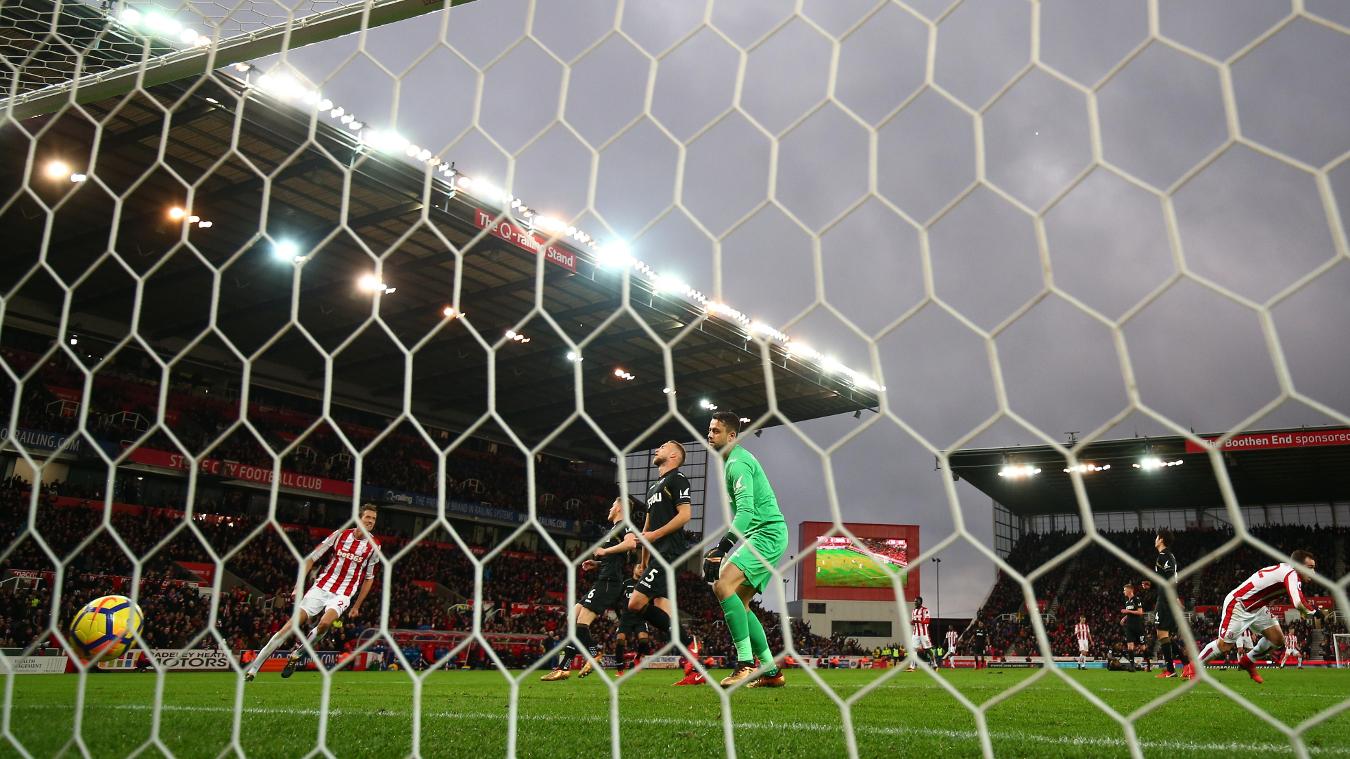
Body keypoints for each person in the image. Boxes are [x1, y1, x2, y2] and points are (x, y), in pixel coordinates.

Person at [245, 504, 380, 681]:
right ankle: (253, 669)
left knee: (325, 623)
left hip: (343, 593)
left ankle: (298, 653)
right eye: (368, 517)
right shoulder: (340, 535)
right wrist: (298, 586)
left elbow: (369, 578)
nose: (371, 521)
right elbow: (311, 558)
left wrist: (357, 606)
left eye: (374, 519)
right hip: (321, 587)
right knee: (289, 627)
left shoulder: (374, 546)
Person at [703, 412, 789, 688]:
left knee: (722, 585)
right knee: (739, 601)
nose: (710, 435)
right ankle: (771, 671)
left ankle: (745, 664)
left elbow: (746, 512)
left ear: (731, 436)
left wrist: (722, 548)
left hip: (767, 534)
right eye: (709, 430)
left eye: (716, 431)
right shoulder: (732, 461)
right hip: (764, 535)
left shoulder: (737, 463)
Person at [1183, 550, 1324, 683]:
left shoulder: (1287, 570)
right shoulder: (1292, 573)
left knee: (1277, 640)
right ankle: (1194, 667)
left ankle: (1247, 661)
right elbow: (1298, 602)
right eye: (1310, 567)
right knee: (1224, 645)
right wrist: (1315, 612)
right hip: (1239, 605)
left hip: (1257, 608)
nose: (1313, 572)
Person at [627, 441, 703, 686]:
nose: (657, 449)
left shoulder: (678, 479)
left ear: (673, 455)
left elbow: (685, 515)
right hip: (657, 554)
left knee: (635, 603)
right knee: (667, 616)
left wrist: (655, 536)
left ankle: (690, 644)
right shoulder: (652, 488)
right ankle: (695, 670)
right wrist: (643, 561)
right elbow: (647, 528)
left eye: (662, 447)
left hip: (670, 552)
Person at [541, 496, 640, 681]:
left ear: (620, 507)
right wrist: (597, 563)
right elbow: (620, 559)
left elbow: (631, 543)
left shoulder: (625, 525)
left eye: (613, 505)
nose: (610, 508)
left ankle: (594, 655)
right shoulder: (614, 530)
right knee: (572, 617)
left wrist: (604, 551)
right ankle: (564, 668)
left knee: (582, 622)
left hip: (609, 582)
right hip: (604, 579)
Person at [1150, 529, 1189, 679]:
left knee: (1162, 633)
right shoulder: (1165, 556)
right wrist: (1151, 586)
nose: (1155, 540)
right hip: (1165, 596)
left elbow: (1171, 577)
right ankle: (1182, 666)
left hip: (1166, 598)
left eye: (1156, 537)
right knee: (1163, 634)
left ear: (1161, 539)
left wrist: (1175, 597)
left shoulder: (1164, 556)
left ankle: (1173, 669)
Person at [1120, 583, 1148, 671]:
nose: (1124, 592)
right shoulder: (1127, 601)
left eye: (1125, 590)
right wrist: (1125, 617)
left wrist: (1127, 611)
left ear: (1130, 590)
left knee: (1143, 647)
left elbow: (1140, 612)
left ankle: (1148, 665)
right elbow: (1130, 612)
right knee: (1130, 646)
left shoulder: (1136, 599)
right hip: (1129, 626)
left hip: (1138, 626)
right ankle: (1132, 666)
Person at [905, 596, 931, 671]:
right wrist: (911, 623)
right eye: (914, 601)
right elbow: (914, 623)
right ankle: (912, 666)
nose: (915, 602)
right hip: (915, 633)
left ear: (920, 602)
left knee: (927, 650)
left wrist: (918, 621)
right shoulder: (913, 611)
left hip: (923, 633)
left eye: (916, 601)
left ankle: (934, 663)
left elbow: (927, 621)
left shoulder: (925, 610)